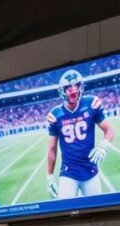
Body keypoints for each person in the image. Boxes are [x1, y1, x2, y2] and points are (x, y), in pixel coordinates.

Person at [46, 69, 116, 199]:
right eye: (68, 87)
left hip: (90, 170)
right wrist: (50, 176)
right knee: (66, 212)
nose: (73, 89)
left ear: (81, 86)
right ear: (62, 91)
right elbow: (51, 150)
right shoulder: (55, 115)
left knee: (96, 210)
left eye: (76, 85)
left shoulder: (91, 104)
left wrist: (104, 146)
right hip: (69, 172)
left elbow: (110, 130)